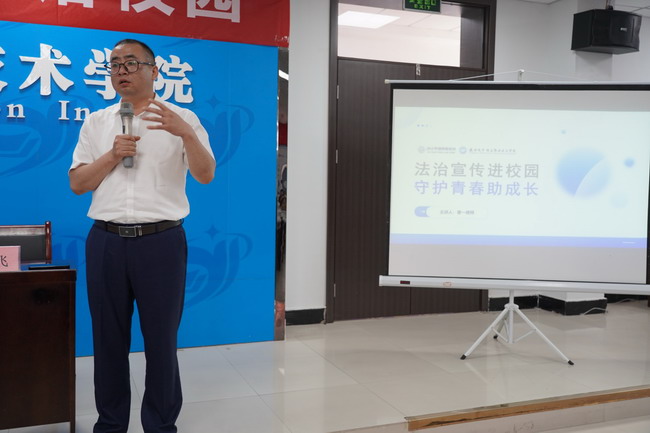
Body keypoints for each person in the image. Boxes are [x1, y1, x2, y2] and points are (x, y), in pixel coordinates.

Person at [69, 38, 215, 433]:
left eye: (131, 63)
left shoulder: (182, 119)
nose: (121, 71)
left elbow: (205, 175)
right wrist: (112, 155)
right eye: (114, 65)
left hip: (161, 243)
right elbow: (78, 184)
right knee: (107, 341)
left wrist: (186, 134)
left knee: (161, 341)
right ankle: (111, 423)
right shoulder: (96, 122)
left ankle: (161, 425)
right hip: (106, 242)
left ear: (154, 70)